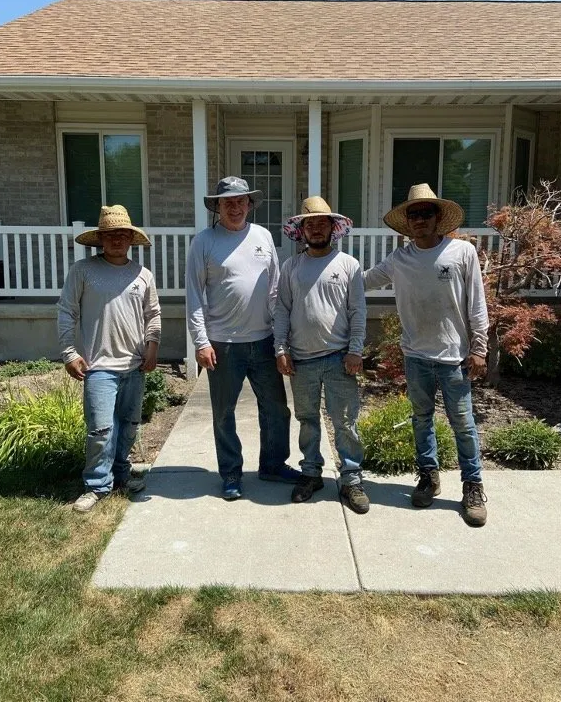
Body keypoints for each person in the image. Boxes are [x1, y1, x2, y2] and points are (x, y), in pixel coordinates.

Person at [363, 183, 489, 526]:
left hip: (455, 358)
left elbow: (477, 303)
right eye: (413, 215)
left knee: (463, 424)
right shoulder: (399, 259)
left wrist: (479, 348)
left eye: (426, 213)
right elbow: (363, 281)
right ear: (407, 222)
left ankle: (473, 486)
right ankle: (428, 477)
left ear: (438, 218)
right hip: (416, 356)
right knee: (421, 419)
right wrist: (327, 276)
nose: (419, 219)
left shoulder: (462, 252)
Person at [186, 176, 300, 501]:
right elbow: (194, 295)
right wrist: (201, 341)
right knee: (224, 413)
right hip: (222, 344)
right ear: (217, 206)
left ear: (250, 204)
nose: (235, 207)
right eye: (228, 202)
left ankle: (273, 465)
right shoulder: (204, 242)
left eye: (240, 201)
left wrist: (280, 339)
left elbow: (275, 290)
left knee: (276, 409)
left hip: (263, 340)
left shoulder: (263, 236)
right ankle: (231, 474)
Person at [58, 205, 161, 513]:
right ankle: (96, 484)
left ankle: (121, 474)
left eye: (123, 235)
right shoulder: (83, 271)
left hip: (134, 364)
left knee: (129, 425)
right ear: (100, 239)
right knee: (101, 430)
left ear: (131, 239)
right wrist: (69, 352)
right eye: (110, 235)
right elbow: (67, 311)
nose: (117, 240)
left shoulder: (142, 275)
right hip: (99, 366)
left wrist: (153, 346)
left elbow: (153, 315)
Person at [274, 197, 370, 514]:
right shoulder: (291, 267)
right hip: (302, 360)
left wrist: (355, 350)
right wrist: (281, 349)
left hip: (339, 358)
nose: (315, 228)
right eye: (310, 224)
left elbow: (357, 312)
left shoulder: (348, 265)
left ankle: (351, 480)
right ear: (302, 231)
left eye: (321, 223)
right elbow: (282, 311)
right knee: (307, 420)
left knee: (345, 422)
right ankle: (311, 473)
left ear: (333, 227)